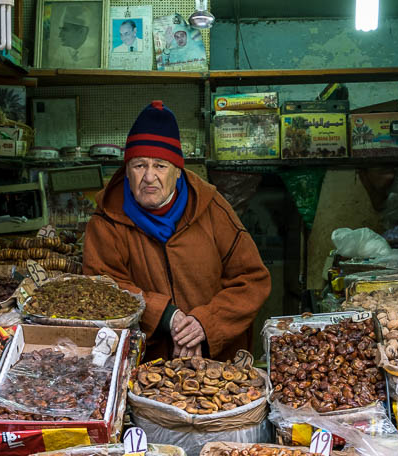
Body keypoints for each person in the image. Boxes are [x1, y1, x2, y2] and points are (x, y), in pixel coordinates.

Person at [83, 101, 271, 362]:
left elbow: (252, 279)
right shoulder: (106, 220)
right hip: (145, 366)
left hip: (219, 364)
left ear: (178, 172)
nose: (149, 177)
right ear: (127, 171)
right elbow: (103, 289)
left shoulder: (211, 207)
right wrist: (164, 316)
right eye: (139, 165)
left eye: (160, 165)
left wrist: (205, 322)